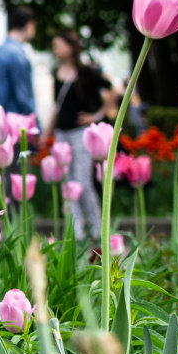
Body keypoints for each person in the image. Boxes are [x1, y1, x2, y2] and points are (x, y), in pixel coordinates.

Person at [47, 29, 108, 241]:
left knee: (83, 181)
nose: (55, 49)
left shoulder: (86, 73)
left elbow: (114, 89)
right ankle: (77, 233)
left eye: (58, 45)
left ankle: (98, 228)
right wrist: (47, 133)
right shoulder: (56, 72)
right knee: (68, 184)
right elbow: (57, 106)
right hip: (61, 134)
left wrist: (97, 115)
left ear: (70, 47)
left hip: (81, 134)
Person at [0, 6, 37, 117]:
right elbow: (24, 96)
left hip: (0, 119)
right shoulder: (18, 55)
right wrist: (36, 125)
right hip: (18, 122)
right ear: (30, 26)